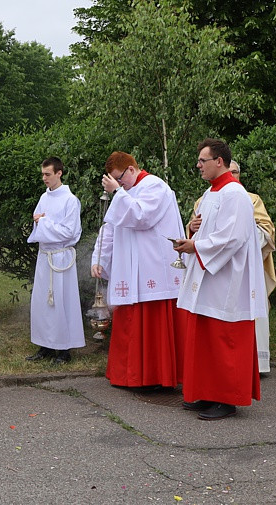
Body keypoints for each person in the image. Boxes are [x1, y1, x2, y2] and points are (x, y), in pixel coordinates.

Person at [174, 139, 266, 420]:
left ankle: (226, 400)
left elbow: (233, 237)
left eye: (202, 161)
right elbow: (210, 230)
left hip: (229, 278)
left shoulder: (235, 194)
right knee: (207, 337)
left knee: (225, 338)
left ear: (219, 161)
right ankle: (207, 392)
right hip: (210, 275)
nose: (198, 165)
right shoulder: (211, 193)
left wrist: (195, 247)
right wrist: (192, 231)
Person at [91, 151, 186, 389]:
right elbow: (110, 227)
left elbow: (141, 217)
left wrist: (117, 192)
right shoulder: (126, 192)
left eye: (120, 178)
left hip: (152, 267)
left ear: (132, 170)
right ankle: (128, 375)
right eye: (115, 180)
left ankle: (155, 377)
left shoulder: (155, 186)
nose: (119, 183)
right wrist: (99, 258)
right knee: (128, 321)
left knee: (153, 325)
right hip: (129, 268)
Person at [187, 161, 276, 373]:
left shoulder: (249, 198)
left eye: (235, 172)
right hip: (212, 266)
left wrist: (245, 239)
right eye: (231, 172)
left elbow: (266, 230)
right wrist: (191, 229)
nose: (232, 175)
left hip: (242, 265)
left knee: (240, 319)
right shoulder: (205, 198)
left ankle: (256, 364)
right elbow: (196, 230)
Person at [26, 157, 85, 365]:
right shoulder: (44, 197)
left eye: (48, 174)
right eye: (43, 174)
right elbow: (38, 222)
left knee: (61, 301)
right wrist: (40, 222)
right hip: (45, 256)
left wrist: (43, 222)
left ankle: (64, 349)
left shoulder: (70, 200)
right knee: (42, 302)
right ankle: (45, 345)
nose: (44, 178)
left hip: (61, 258)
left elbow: (70, 232)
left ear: (59, 173)